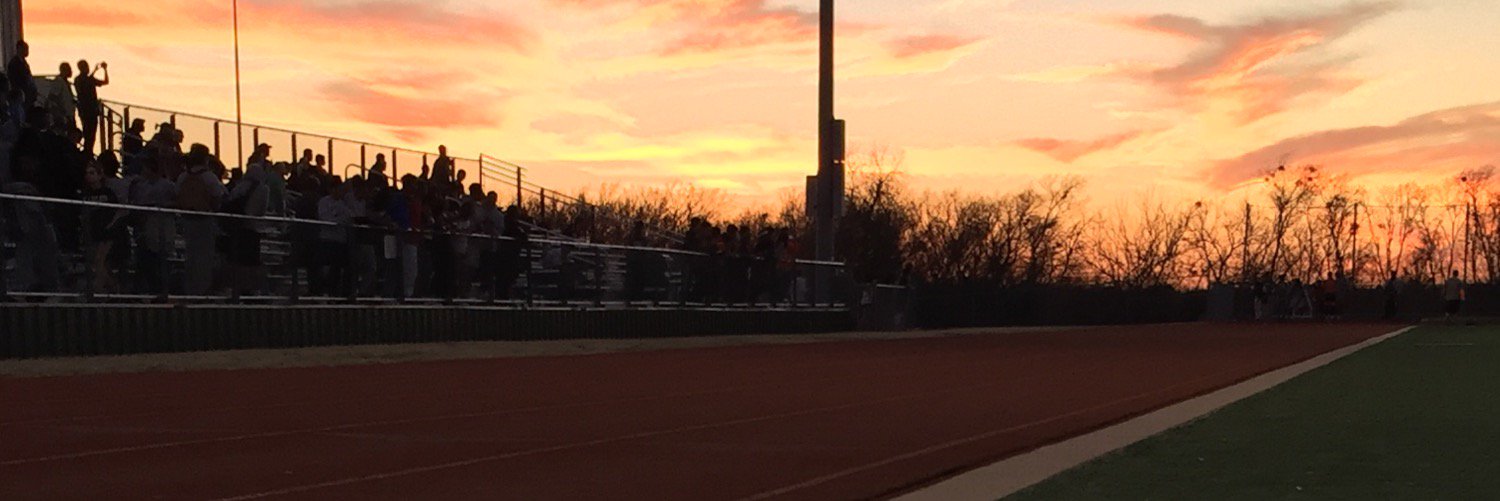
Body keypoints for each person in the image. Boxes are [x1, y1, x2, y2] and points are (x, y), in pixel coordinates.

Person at [74, 60, 109, 154]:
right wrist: (103, 70)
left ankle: (88, 151)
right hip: (89, 111)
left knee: (88, 133)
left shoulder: (78, 79)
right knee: (90, 133)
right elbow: (105, 81)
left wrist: (95, 71)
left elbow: (103, 82)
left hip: (85, 110)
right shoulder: (85, 79)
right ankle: (88, 152)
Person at [7, 41, 36, 105]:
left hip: (27, 94)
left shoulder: (24, 63)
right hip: (20, 94)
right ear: (20, 48)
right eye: (25, 48)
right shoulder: (14, 63)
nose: (27, 51)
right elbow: (14, 80)